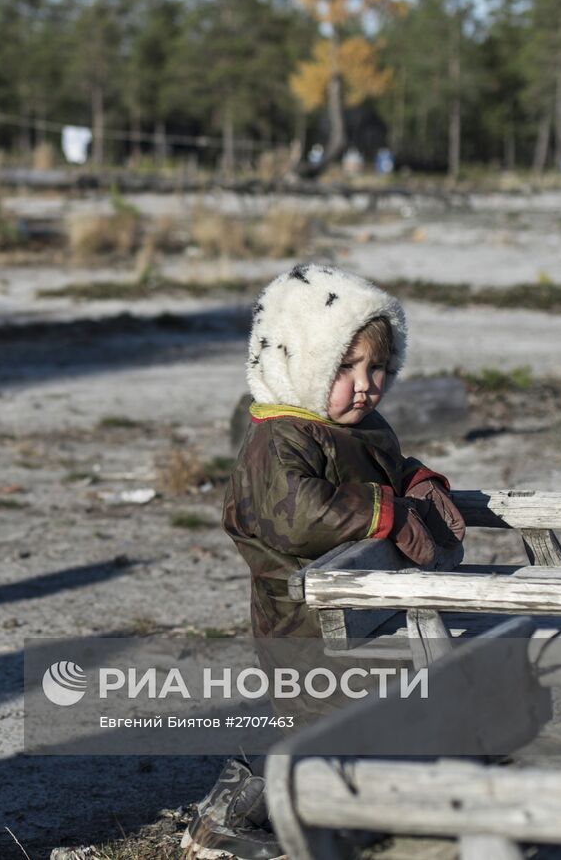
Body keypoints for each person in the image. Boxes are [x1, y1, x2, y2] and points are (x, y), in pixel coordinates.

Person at [181, 263, 466, 860]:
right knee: (311, 721)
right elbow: (295, 514)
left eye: (377, 367)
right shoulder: (279, 439)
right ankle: (224, 820)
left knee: (365, 713)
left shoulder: (359, 425)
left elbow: (387, 468)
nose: (366, 384)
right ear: (301, 362)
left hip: (362, 607)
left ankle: (337, 807)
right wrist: (386, 512)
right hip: (301, 618)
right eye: (345, 366)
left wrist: (419, 481)